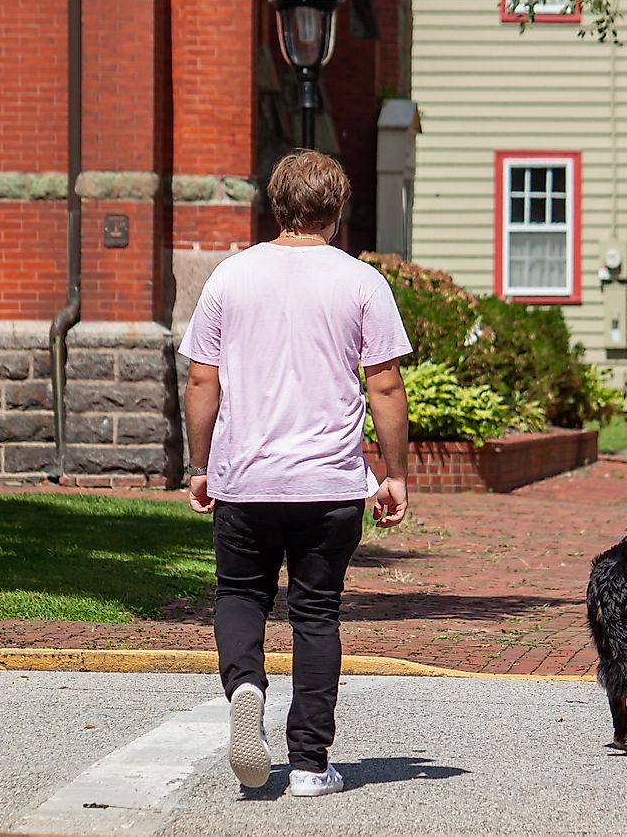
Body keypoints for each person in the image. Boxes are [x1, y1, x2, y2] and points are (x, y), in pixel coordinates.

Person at [179, 150, 411, 797]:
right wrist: (395, 475)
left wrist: (201, 465)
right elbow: (385, 386)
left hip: (246, 480)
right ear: (337, 212)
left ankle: (245, 684)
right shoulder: (361, 282)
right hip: (330, 485)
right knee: (315, 615)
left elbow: (202, 378)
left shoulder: (230, 277)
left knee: (240, 595)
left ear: (274, 207)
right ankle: (310, 764)